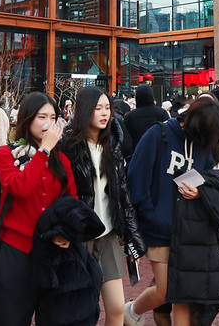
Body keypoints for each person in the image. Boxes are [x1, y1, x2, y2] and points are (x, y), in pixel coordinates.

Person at [125, 96, 219, 326]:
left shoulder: (202, 145)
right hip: (158, 230)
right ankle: (131, 312)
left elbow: (207, 180)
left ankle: (131, 314)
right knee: (165, 291)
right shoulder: (158, 134)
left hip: (189, 232)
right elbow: (136, 180)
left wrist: (200, 193)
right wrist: (151, 216)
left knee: (184, 295)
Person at [60, 86, 144, 326]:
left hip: (108, 234)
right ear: (85, 110)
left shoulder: (113, 144)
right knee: (81, 309)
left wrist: (133, 239)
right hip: (79, 237)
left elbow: (123, 194)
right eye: (98, 108)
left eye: (107, 108)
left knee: (116, 307)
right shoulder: (68, 146)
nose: (105, 113)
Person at [0, 92, 77, 325]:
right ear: (27, 119)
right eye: (42, 117)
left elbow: (71, 202)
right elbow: (20, 188)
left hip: (52, 253)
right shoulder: (7, 154)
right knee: (10, 319)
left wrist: (65, 232)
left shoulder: (62, 160)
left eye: (53, 117)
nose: (49, 123)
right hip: (15, 251)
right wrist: (43, 152)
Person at [124, 84, 169, 148]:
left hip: (137, 150)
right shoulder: (162, 113)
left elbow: (126, 139)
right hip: (158, 150)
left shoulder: (130, 116)